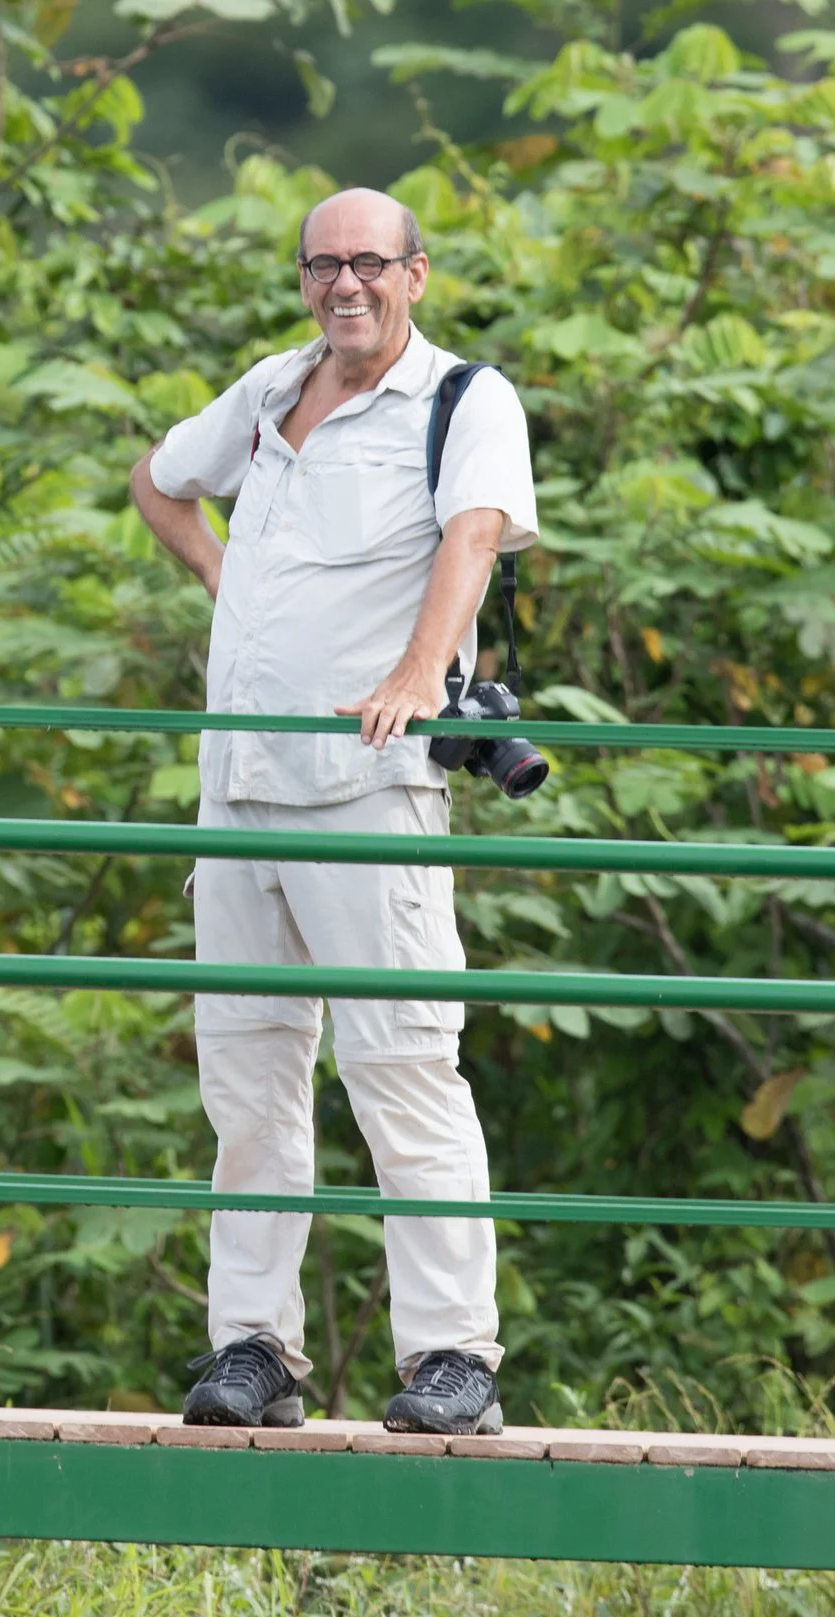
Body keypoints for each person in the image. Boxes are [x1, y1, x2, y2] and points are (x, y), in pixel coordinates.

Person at [127, 188, 536, 1435]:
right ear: (303, 278)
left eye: (367, 262)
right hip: (237, 790)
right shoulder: (269, 389)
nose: (343, 283)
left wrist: (419, 671)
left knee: (402, 1064)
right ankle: (252, 1345)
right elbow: (158, 480)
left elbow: (474, 536)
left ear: (415, 273)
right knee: (246, 1082)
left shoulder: (463, 398)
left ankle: (454, 1354)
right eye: (322, 264)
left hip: (365, 790)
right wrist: (225, 575)